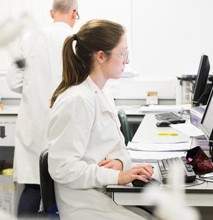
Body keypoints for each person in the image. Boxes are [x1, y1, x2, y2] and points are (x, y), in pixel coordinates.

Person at [47, 19, 154, 220]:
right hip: (86, 205)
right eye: (123, 53)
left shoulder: (101, 93)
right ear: (101, 56)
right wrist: (117, 176)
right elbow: (62, 168)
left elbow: (119, 148)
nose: (127, 60)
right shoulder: (78, 99)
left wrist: (120, 163)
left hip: (106, 196)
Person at [6, 0, 78, 217]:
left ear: (51, 13)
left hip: (34, 125)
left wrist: (33, 91)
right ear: (75, 13)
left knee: (33, 186)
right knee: (66, 191)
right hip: (67, 126)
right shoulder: (77, 42)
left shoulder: (29, 38)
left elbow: (13, 81)